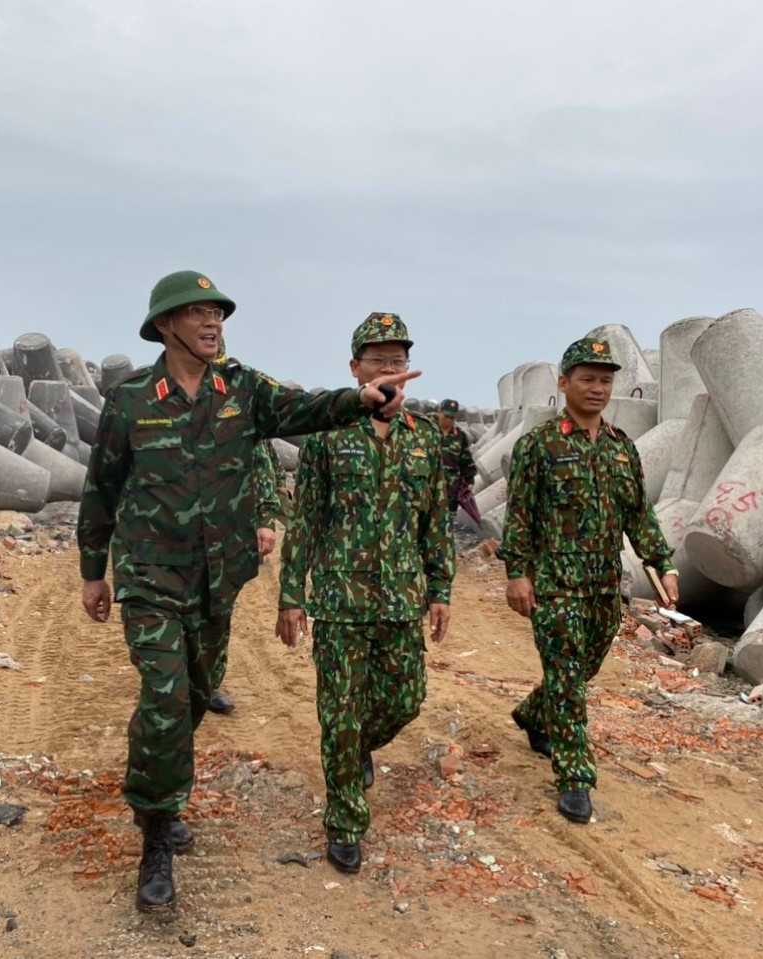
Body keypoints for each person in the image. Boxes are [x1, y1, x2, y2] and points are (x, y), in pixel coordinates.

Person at [78, 271, 418, 912]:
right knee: (165, 697)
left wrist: (361, 399)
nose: (213, 323)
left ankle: (156, 777)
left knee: (196, 694)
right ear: (165, 324)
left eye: (219, 314)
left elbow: (302, 408)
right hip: (151, 577)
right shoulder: (129, 401)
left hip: (218, 579)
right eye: (198, 313)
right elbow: (101, 489)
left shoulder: (242, 388)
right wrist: (93, 570)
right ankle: (156, 832)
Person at [277, 312, 455, 875]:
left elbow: (435, 522)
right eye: (378, 360)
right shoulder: (328, 435)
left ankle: (356, 749)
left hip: (402, 599)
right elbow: (304, 521)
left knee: (406, 700)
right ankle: (346, 821)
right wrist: (291, 595)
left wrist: (441, 588)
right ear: (355, 369)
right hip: (340, 602)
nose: (389, 369)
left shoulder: (424, 438)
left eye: (398, 360)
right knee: (341, 713)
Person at [497, 337, 678, 825]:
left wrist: (662, 563)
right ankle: (575, 777)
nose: (598, 388)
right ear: (564, 383)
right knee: (567, 680)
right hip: (554, 586)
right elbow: (520, 516)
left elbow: (639, 514)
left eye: (605, 380)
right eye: (587, 379)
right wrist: (517, 574)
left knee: (582, 670)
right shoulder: (539, 445)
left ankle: (533, 714)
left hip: (603, 587)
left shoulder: (622, 448)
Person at [206, 338, 284, 715]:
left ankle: (207, 681)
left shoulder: (240, 401)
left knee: (219, 608)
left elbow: (262, 463)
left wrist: (266, 519)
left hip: (230, 526)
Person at [436, 398, 477, 513]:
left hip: (451, 487)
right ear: (439, 413)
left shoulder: (459, 435)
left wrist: (470, 480)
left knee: (448, 518)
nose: (448, 420)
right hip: (431, 485)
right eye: (446, 416)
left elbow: (466, 458)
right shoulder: (428, 431)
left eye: (452, 417)